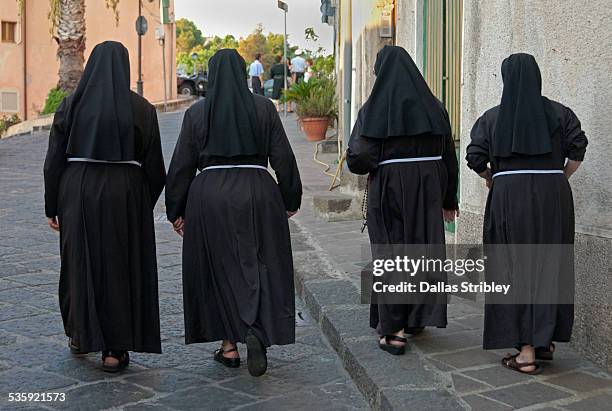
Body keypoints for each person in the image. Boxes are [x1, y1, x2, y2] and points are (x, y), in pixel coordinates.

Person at [165, 49, 302, 377]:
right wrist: (289, 198)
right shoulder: (264, 108)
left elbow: (182, 165)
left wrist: (176, 210)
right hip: (257, 189)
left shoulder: (197, 113)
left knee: (217, 267)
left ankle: (228, 346)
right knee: (259, 263)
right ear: (243, 73)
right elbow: (283, 156)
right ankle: (256, 330)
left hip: (208, 195)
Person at [43, 41, 166, 372]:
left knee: (79, 262)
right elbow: (155, 168)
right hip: (125, 190)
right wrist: (141, 203)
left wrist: (52, 204)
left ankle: (81, 336)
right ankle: (114, 350)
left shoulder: (70, 105)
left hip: (77, 188)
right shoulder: (142, 109)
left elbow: (54, 159)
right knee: (121, 267)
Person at [466, 53, 587, 375]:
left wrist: (494, 177)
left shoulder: (492, 118)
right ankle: (544, 340)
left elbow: (475, 158)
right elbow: (578, 149)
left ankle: (526, 352)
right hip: (553, 196)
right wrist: (558, 178)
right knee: (550, 264)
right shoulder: (561, 113)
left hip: (509, 196)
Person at [346, 45, 459, 355]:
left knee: (390, 253)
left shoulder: (372, 109)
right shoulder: (435, 106)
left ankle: (393, 330)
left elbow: (358, 158)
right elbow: (449, 154)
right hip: (428, 187)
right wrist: (449, 199)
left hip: (391, 187)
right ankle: (416, 318)